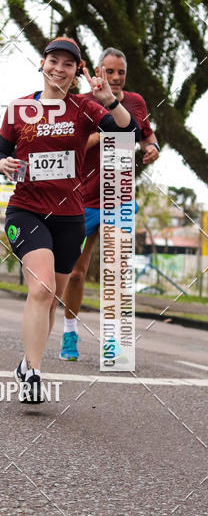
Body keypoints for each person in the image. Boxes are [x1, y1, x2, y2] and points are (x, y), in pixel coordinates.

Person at [0, 37, 141, 403]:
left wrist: (110, 100)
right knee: (41, 288)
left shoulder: (84, 108)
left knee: (53, 296)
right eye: (53, 61)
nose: (59, 68)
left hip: (70, 216)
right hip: (26, 210)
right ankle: (33, 370)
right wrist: (2, 164)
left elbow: (127, 133)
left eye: (68, 64)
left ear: (76, 73)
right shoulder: (19, 109)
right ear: (42, 64)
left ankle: (30, 363)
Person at [60, 48, 159, 360]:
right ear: (99, 72)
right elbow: (73, 143)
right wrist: (107, 134)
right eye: (110, 72)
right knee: (76, 273)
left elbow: (144, 132)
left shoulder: (136, 102)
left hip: (120, 198)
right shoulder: (83, 103)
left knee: (116, 273)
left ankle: (113, 342)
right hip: (84, 198)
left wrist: (151, 146)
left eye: (121, 73)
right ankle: (69, 333)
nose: (115, 78)